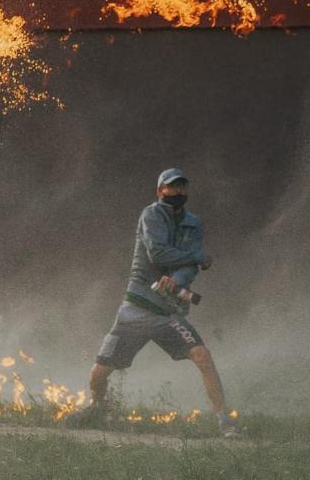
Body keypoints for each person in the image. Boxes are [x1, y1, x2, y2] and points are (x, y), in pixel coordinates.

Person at [67, 168, 240, 437]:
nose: (178, 192)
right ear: (160, 191)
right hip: (135, 308)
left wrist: (178, 280)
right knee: (99, 374)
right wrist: (196, 256)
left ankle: (225, 421)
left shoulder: (194, 223)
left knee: (202, 356)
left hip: (167, 312)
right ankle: (97, 408)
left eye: (182, 187)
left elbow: (190, 270)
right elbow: (157, 253)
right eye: (172, 187)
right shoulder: (151, 214)